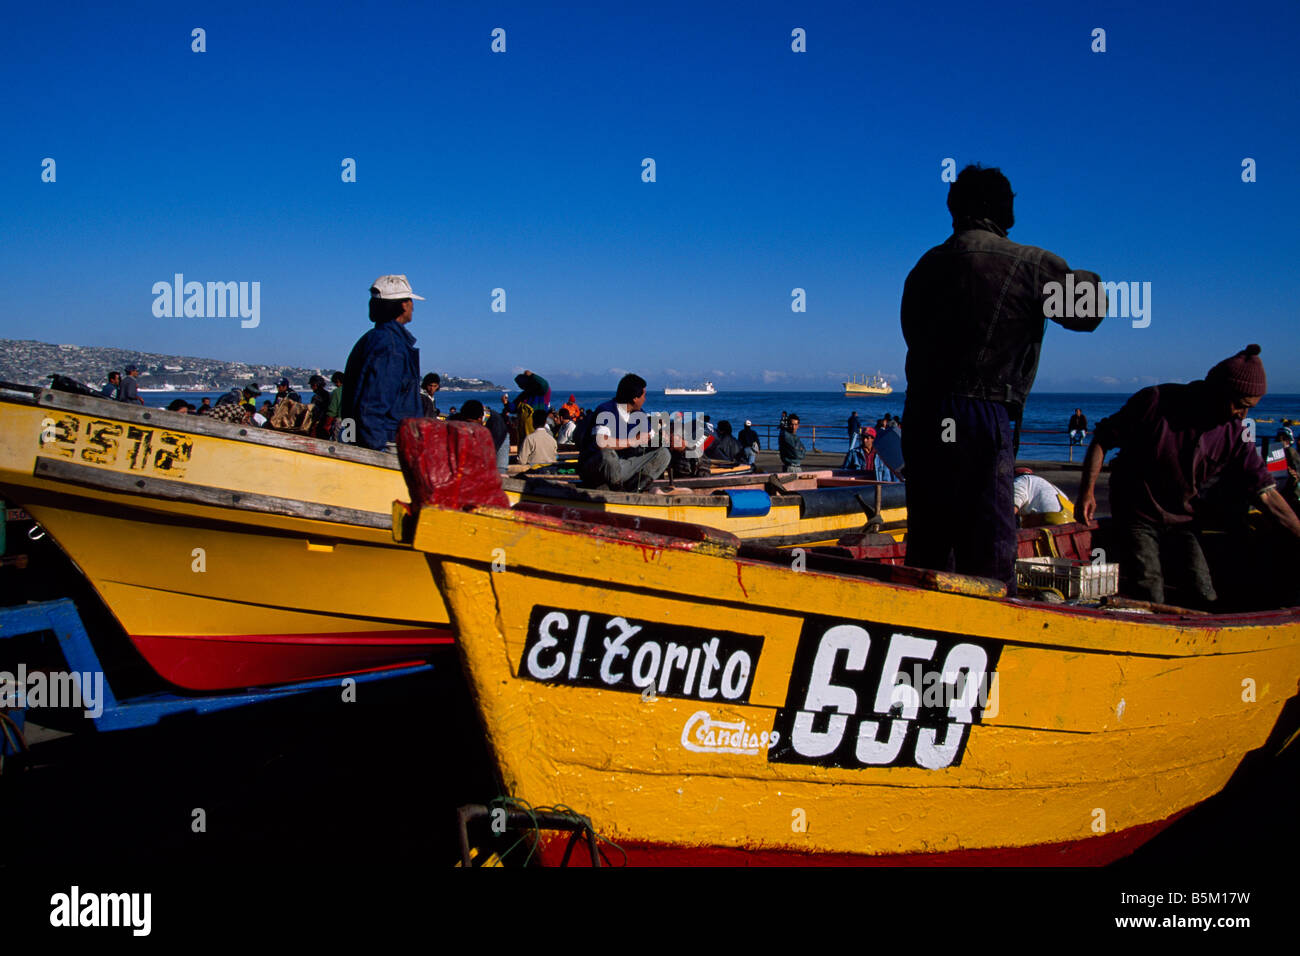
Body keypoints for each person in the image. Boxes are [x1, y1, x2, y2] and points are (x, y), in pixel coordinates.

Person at [900, 163, 1105, 593]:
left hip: (923, 413)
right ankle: (987, 641)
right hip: (981, 412)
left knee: (931, 544)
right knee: (989, 547)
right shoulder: (1026, 264)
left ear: (954, 210)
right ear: (1004, 212)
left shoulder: (924, 268)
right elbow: (1089, 311)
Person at [1076, 345, 1300, 607]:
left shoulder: (1236, 433)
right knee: (1150, 590)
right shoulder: (1156, 402)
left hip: (1184, 518)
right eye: (1239, 405)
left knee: (1203, 590)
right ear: (1218, 390)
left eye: (1249, 408)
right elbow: (1102, 440)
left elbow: (1265, 492)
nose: (1243, 415)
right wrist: (1086, 492)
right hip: (1137, 512)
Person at [342, 275, 423, 450]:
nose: (413, 306)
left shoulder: (372, 339)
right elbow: (373, 405)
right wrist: (376, 451)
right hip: (387, 443)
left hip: (367, 438)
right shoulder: (391, 346)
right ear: (403, 304)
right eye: (410, 300)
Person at [578, 373, 672, 491]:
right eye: (644, 395)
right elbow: (601, 442)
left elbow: (649, 437)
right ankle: (617, 489)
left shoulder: (640, 414)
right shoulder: (606, 410)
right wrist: (632, 441)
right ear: (635, 398)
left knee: (663, 454)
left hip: (622, 466)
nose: (645, 399)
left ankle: (634, 488)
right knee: (607, 454)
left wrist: (663, 439)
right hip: (597, 467)